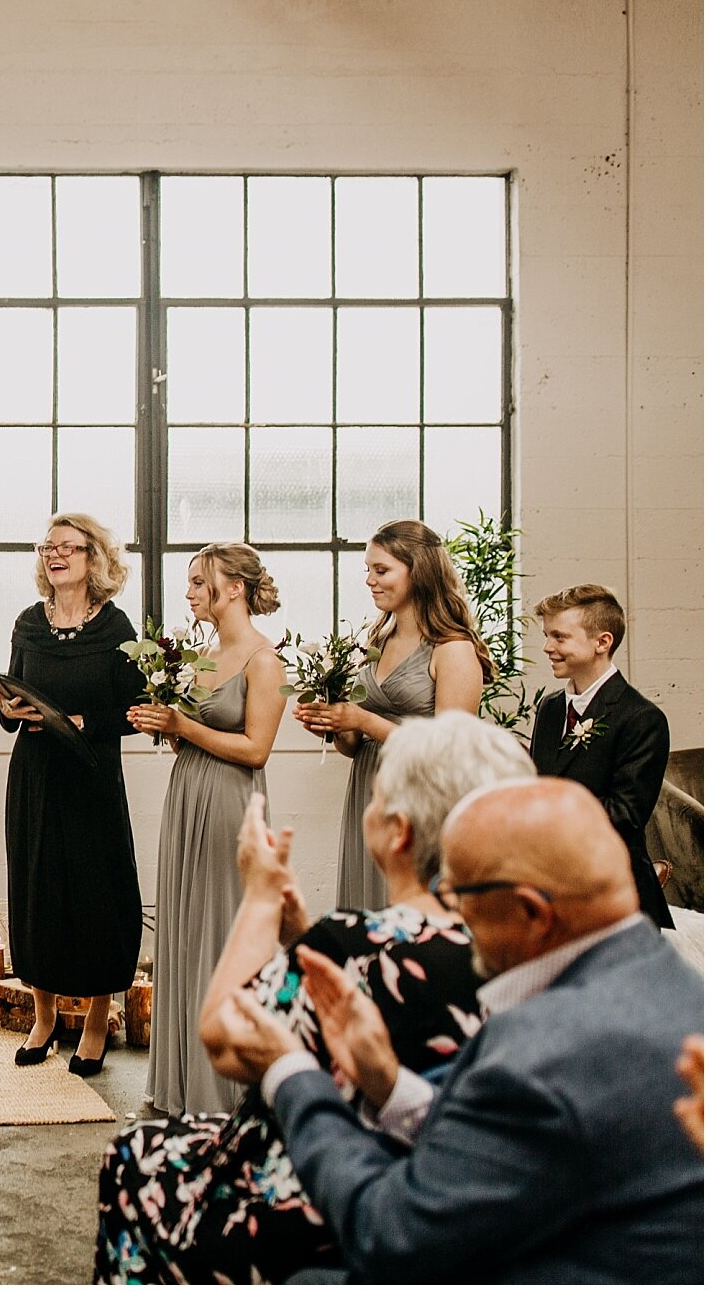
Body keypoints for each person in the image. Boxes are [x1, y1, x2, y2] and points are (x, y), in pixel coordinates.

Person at [95, 712, 532, 1284]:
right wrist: (302, 933)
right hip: (444, 1176)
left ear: (397, 832)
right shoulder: (510, 951)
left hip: (332, 1187)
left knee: (135, 1158)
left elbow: (225, 1039)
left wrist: (259, 894)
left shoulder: (361, 940)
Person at [217, 778, 704, 1284]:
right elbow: (525, 1151)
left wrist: (291, 1073)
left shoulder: (541, 1051)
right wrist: (389, 1082)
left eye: (457, 892)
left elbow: (388, 1237)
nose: (452, 911)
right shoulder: (675, 982)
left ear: (532, 912)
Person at [126, 542, 284, 1115]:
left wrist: (181, 727)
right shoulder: (203, 652)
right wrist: (162, 724)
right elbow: (185, 734)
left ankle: (223, 1091)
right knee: (184, 933)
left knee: (218, 933)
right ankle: (176, 1087)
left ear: (235, 588)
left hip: (229, 804)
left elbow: (256, 749)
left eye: (199, 582)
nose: (189, 592)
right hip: (187, 796)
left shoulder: (264, 661)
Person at [0, 512, 145, 1077]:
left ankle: (94, 1022)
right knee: (37, 891)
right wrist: (7, 709)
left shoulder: (115, 628)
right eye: (48, 546)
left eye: (68, 547)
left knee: (95, 896)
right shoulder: (29, 624)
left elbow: (134, 711)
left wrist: (85, 720)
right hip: (34, 776)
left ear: (94, 558)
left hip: (92, 777)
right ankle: (44, 1017)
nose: (55, 554)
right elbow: (8, 700)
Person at [295, 518, 488, 909]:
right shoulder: (375, 640)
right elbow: (355, 745)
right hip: (368, 790)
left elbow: (450, 749)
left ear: (419, 571)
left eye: (381, 570)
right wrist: (334, 725)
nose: (370, 580)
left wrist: (363, 720)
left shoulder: (452, 649)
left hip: (419, 799)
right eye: (368, 570)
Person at [528, 583, 673, 927]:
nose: (548, 647)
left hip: (614, 894)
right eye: (547, 636)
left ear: (602, 642)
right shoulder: (550, 708)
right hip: (551, 887)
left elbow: (624, 814)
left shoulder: (641, 718)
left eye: (560, 637)